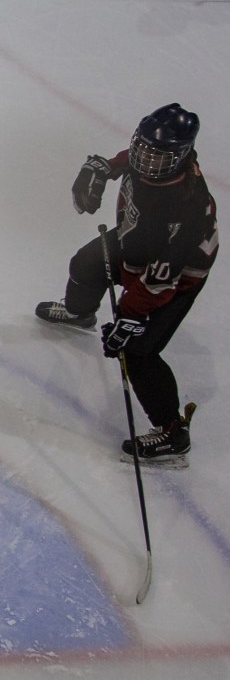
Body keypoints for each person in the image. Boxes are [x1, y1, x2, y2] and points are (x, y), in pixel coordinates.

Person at [35, 103, 219, 465]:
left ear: (181, 157)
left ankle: (172, 432)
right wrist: (107, 166)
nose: (146, 160)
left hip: (176, 277)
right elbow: (132, 159)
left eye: (157, 155)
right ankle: (79, 312)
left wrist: (130, 317)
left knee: (138, 352)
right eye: (143, 149)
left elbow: (158, 281)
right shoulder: (158, 164)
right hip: (138, 242)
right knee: (85, 265)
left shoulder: (183, 212)